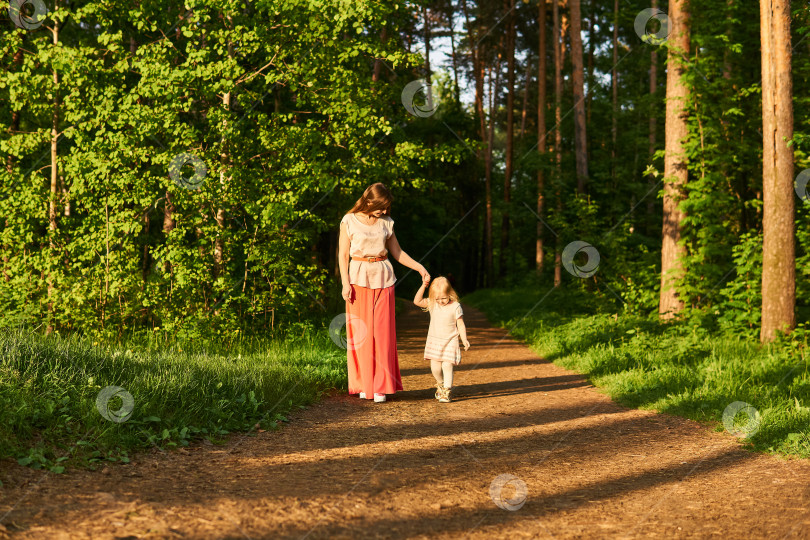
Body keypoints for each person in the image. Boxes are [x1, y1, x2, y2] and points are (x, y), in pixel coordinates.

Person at [338, 183, 431, 403]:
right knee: (360, 333)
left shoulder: (386, 223)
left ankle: (380, 385)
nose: (384, 211)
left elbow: (397, 252)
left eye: (387, 207)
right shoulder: (348, 220)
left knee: (382, 333)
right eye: (381, 206)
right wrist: (345, 283)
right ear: (368, 200)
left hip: (384, 277)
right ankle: (362, 383)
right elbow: (343, 255)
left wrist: (419, 267)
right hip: (357, 278)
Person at [413, 276, 470, 403]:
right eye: (437, 298)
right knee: (435, 368)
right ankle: (440, 383)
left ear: (450, 293)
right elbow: (417, 301)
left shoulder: (455, 306)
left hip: (450, 340)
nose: (441, 301)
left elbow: (460, 324)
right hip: (435, 341)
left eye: (444, 298)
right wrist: (423, 285)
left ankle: (446, 390)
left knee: (447, 365)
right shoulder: (433, 304)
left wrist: (464, 339)